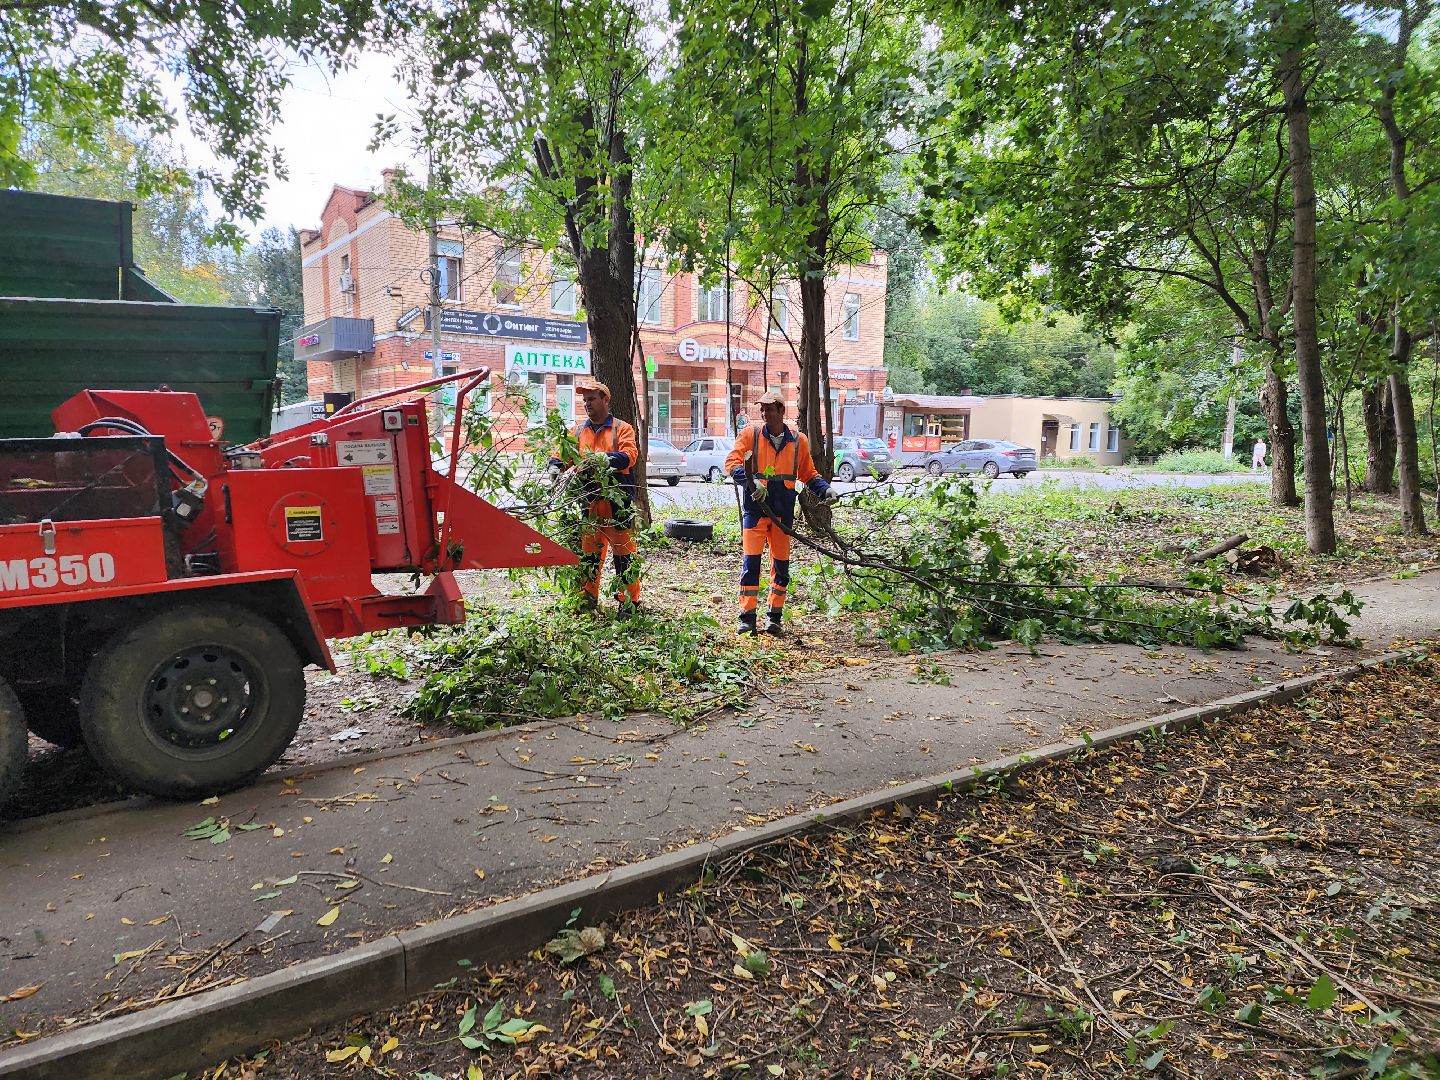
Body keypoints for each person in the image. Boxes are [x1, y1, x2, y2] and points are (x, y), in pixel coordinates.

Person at [724, 391, 837, 636]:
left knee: (781, 568)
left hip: (783, 516)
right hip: (755, 513)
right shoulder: (750, 435)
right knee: (750, 566)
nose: (764, 414)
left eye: (770, 409)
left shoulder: (799, 441)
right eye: (762, 409)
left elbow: (809, 474)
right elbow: (732, 463)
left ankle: (774, 618)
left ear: (781, 411)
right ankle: (747, 618)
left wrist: (826, 490)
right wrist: (752, 482)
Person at [547, 380, 642, 617]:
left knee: (625, 557)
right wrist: (554, 467)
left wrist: (604, 460)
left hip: (618, 504)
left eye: (592, 399)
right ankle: (587, 600)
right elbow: (561, 455)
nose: (587, 404)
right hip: (589, 504)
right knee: (589, 557)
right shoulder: (577, 432)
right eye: (585, 400)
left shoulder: (622, 429)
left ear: (605, 400)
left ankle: (628, 604)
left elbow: (630, 456)